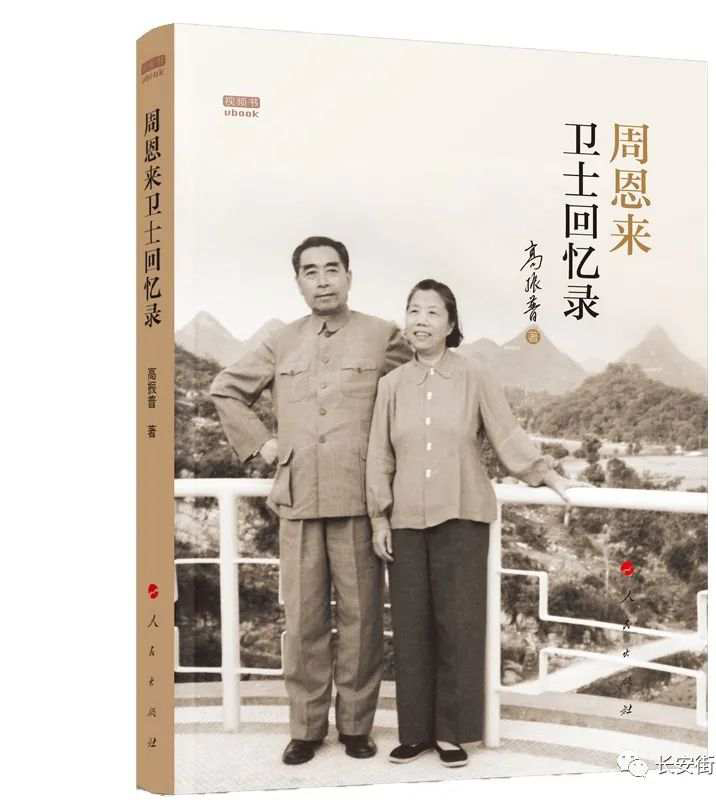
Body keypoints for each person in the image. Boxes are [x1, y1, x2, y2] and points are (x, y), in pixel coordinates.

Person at [210, 236, 413, 765]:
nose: (322, 280)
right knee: (302, 623)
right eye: (310, 272)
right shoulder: (280, 341)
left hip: (360, 499)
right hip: (298, 499)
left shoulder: (382, 336)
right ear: (298, 282)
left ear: (348, 276)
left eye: (331, 269)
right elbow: (226, 389)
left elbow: (415, 393)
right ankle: (305, 728)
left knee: (362, 621)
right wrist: (262, 444)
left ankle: (356, 727)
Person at [366, 279, 584, 767]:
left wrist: (548, 475)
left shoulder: (475, 376)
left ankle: (451, 733)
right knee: (411, 627)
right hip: (404, 521)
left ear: (451, 324)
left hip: (463, 516)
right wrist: (378, 517)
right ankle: (415, 732)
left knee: (458, 625)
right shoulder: (390, 386)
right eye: (413, 310)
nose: (421, 320)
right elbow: (379, 455)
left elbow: (507, 435)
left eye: (432, 312)